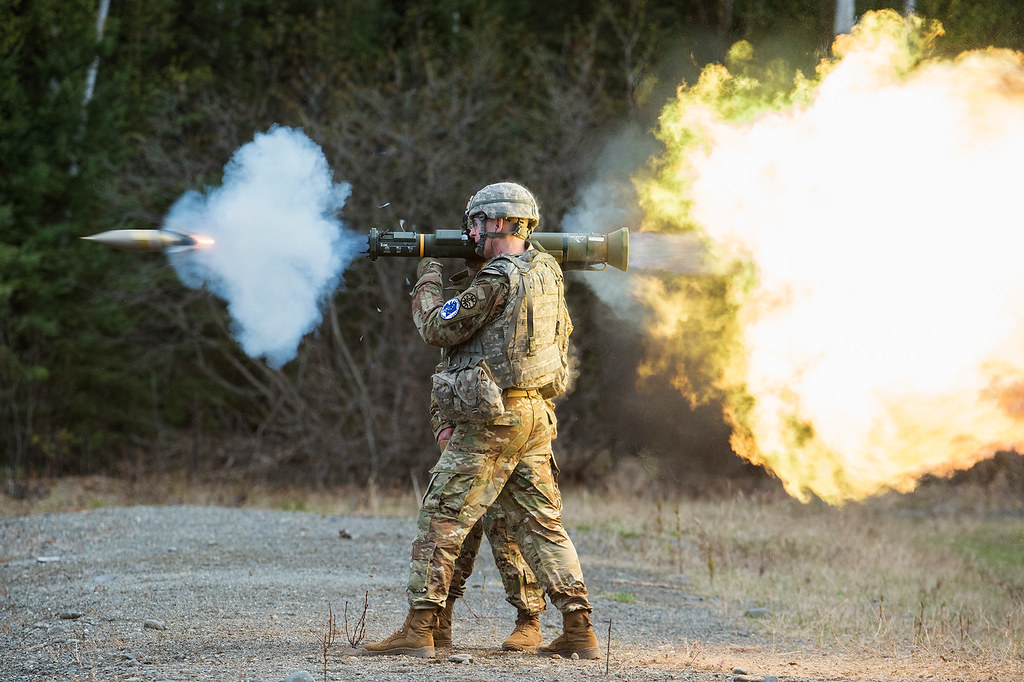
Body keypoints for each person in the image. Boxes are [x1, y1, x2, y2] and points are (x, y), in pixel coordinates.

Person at [364, 181, 599, 659]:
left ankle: (418, 629)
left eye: (475, 223)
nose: (469, 232)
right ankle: (579, 632)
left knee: (442, 516)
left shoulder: (496, 279)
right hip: (534, 413)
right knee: (541, 524)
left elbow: (437, 327)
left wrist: (428, 275)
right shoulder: (547, 270)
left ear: (496, 223)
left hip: (493, 417)